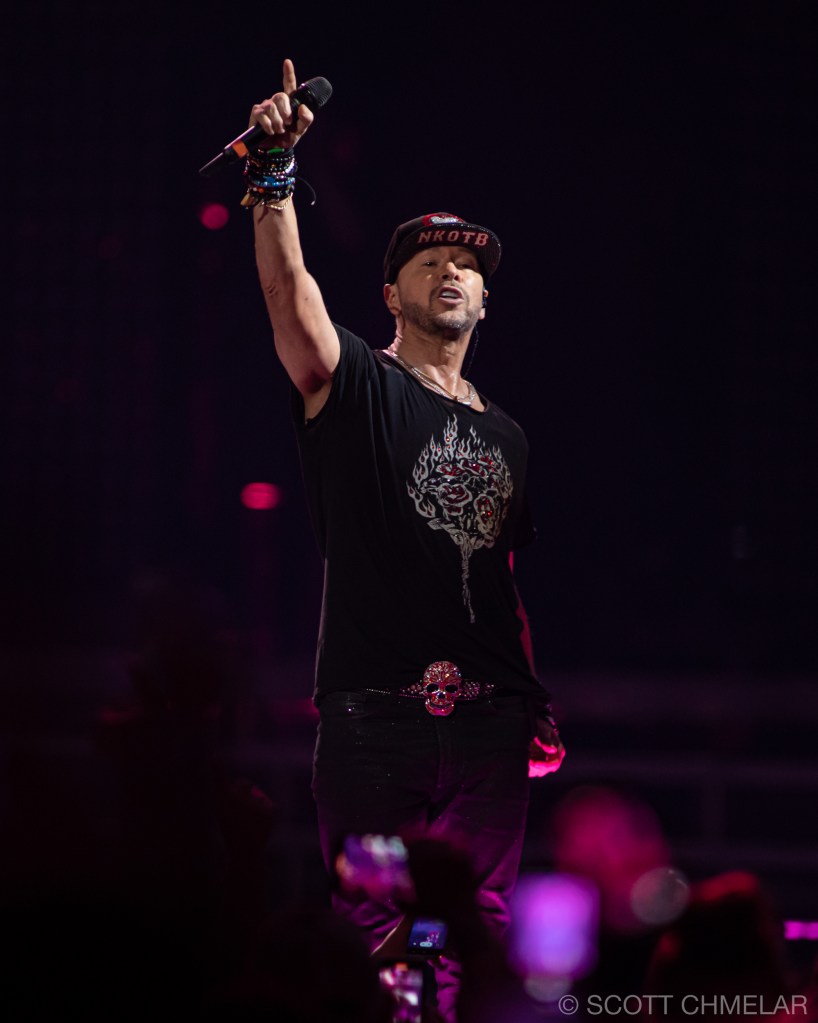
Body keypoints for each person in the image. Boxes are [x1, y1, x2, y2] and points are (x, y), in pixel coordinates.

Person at [241, 58, 566, 1021]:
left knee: (467, 929)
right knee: (375, 927)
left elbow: (502, 577)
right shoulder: (357, 385)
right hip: (376, 728)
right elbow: (290, 294)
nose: (452, 271)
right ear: (391, 293)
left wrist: (532, 697)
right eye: (430, 261)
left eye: (467, 265)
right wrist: (273, 175)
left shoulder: (508, 433)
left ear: (486, 300)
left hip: (489, 731)